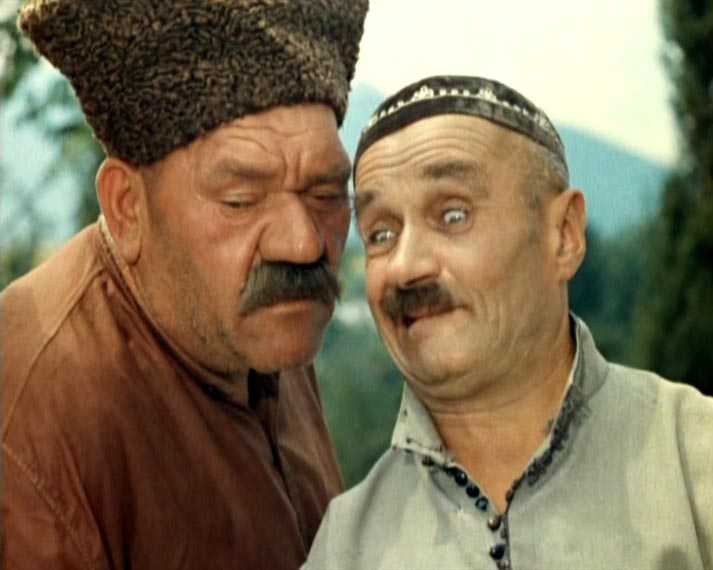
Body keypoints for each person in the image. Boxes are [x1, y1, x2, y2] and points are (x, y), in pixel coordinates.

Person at [0, 1, 368, 568]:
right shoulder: (33, 427)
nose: (303, 243)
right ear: (128, 209)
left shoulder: (263, 316)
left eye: (325, 194)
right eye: (240, 201)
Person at [304, 75, 713, 570]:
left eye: (453, 216)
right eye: (381, 234)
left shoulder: (693, 461)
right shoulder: (347, 545)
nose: (406, 266)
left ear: (563, 235)